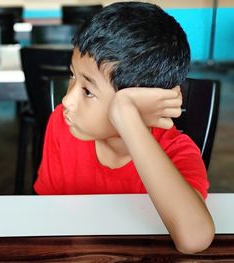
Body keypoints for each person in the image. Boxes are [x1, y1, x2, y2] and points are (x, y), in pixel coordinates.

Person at [33, 1, 215, 254]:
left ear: (143, 102)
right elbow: (48, 216)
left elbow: (194, 239)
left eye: (87, 90)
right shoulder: (61, 124)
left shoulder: (176, 151)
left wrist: (126, 114)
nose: (67, 101)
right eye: (72, 75)